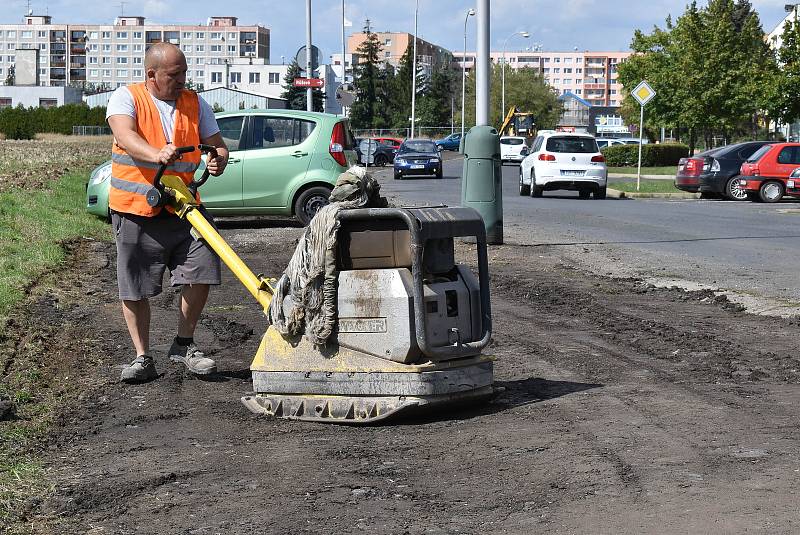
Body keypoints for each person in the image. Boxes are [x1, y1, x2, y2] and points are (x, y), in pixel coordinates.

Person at [106, 42, 229, 383]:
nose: (181, 81)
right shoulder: (126, 98)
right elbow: (125, 136)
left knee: (204, 269)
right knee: (134, 287)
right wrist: (157, 154)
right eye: (175, 75)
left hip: (184, 208)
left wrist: (220, 157)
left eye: (184, 73)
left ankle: (184, 343)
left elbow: (216, 142)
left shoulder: (195, 103)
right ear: (152, 75)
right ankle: (142, 357)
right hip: (135, 210)